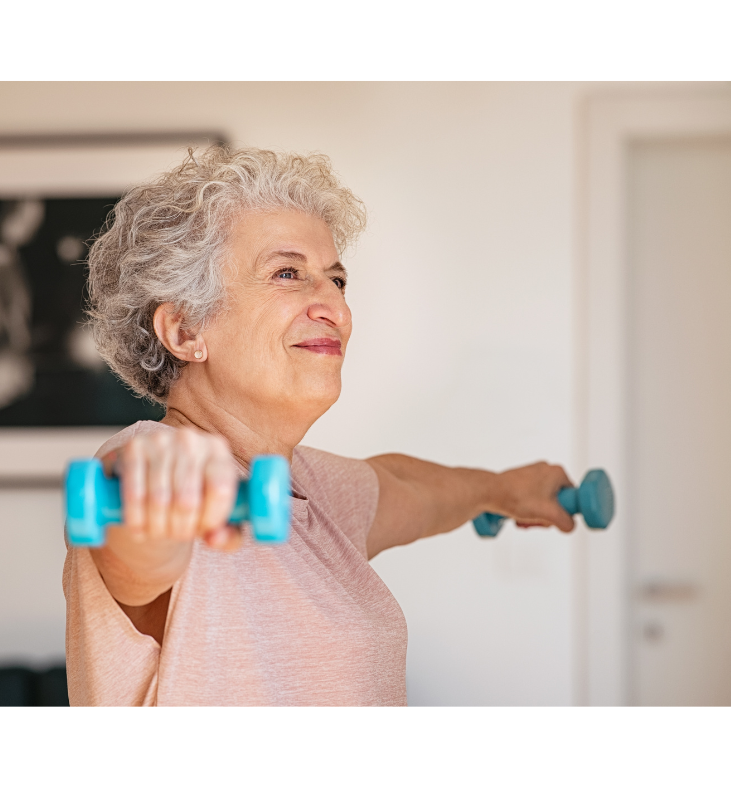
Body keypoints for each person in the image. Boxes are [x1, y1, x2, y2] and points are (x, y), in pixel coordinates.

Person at [62, 147, 575, 705]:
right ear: (185, 332)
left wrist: (505, 491)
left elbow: (405, 485)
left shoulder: (308, 488)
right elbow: (133, 525)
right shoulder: (155, 455)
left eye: (336, 280)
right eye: (287, 274)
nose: (334, 306)